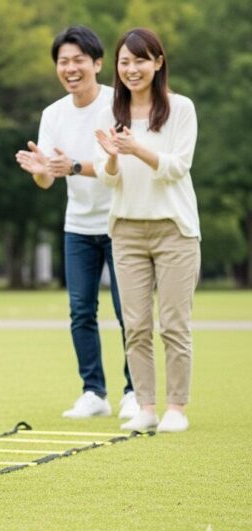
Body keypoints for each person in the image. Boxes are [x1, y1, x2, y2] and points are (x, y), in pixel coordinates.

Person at [15, 25, 136, 420]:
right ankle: (94, 392)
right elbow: (49, 178)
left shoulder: (118, 104)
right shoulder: (53, 114)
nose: (70, 68)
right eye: (63, 62)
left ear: (98, 64)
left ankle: (135, 391)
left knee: (128, 311)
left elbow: (121, 167)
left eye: (78, 60)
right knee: (81, 311)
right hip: (79, 227)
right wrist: (39, 170)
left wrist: (74, 166)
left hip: (122, 221)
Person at [93, 28, 200, 433]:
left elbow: (177, 167)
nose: (131, 68)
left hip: (174, 230)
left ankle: (176, 408)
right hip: (127, 231)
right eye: (124, 61)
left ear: (158, 63)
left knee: (174, 324)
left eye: (140, 60)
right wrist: (113, 159)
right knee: (135, 325)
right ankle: (146, 407)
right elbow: (108, 180)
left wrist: (135, 148)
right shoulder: (110, 114)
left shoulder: (181, 108)